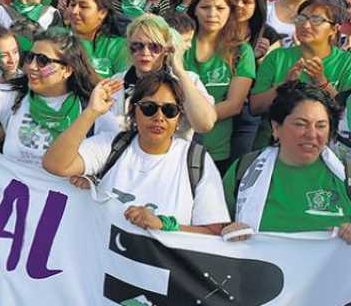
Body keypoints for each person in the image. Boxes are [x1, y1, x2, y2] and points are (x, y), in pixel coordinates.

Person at [43, 71, 230, 235]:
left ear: (179, 117)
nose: (159, 117)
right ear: (133, 110)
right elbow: (55, 164)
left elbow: (212, 232)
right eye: (149, 108)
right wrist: (91, 112)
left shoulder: (196, 160)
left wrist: (163, 225)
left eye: (169, 110)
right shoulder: (112, 144)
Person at [0, 25, 120, 166]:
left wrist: (90, 178)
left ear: (67, 70)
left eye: (43, 61)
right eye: (30, 57)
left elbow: (114, 158)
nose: (31, 66)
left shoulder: (92, 111)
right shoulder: (15, 96)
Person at [222, 81, 351, 242]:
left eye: (321, 126)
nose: (312, 134)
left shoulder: (346, 175)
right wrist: (227, 230)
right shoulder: (243, 170)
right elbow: (214, 228)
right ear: (276, 128)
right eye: (300, 124)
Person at [250, 0, 351, 148]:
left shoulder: (346, 62)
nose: (306, 25)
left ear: (334, 29)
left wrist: (322, 82)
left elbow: (346, 113)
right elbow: (255, 107)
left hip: (330, 144)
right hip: (276, 143)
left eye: (316, 20)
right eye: (301, 18)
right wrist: (285, 85)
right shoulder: (277, 57)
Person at [184, 0, 257, 168]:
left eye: (220, 8)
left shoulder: (241, 51)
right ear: (194, 10)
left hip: (217, 150)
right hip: (178, 143)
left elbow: (234, 105)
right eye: (205, 7)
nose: (212, 14)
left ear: (230, 11)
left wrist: (199, 118)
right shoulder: (180, 44)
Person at [109, 14, 217, 139]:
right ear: (129, 47)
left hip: (174, 150)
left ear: (167, 49)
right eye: (137, 46)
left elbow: (204, 125)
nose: (145, 52)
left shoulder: (188, 80)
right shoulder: (115, 83)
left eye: (154, 47)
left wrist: (180, 71)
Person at [63, 0, 129, 79]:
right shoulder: (57, 41)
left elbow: (122, 85)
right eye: (72, 5)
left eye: (83, 6)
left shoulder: (118, 46)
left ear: (102, 13)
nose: (74, 11)